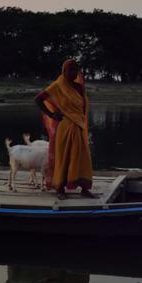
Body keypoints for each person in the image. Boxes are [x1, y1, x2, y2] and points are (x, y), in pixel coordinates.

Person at [34, 59, 95, 199]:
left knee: (82, 158)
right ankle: (60, 189)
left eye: (76, 70)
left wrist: (82, 122)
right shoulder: (57, 86)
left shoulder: (79, 87)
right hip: (65, 127)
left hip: (79, 127)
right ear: (64, 71)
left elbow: (83, 107)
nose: (74, 73)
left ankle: (84, 188)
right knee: (64, 157)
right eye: (71, 70)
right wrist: (51, 115)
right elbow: (38, 99)